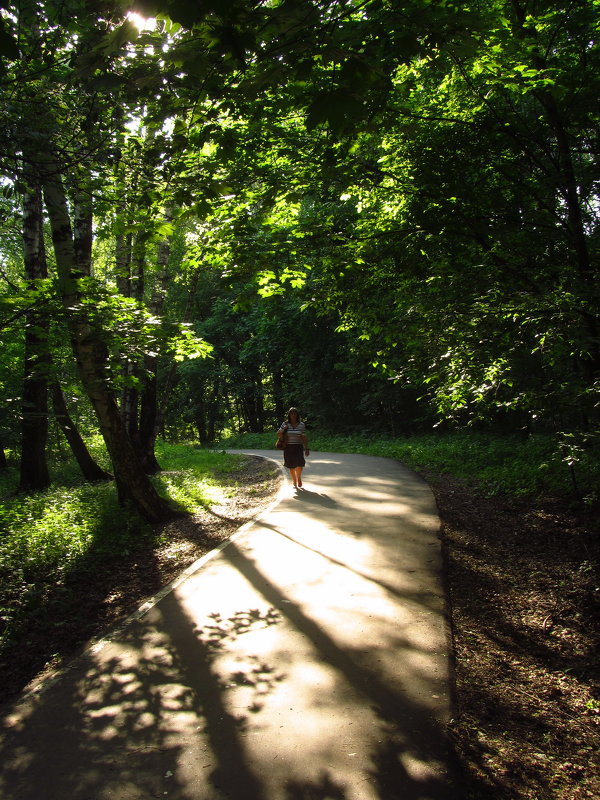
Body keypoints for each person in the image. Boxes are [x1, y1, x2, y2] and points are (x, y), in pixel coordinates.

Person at [277, 407, 309, 488]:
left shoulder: (302, 425)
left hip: (298, 446)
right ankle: (294, 480)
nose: (293, 415)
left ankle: (298, 477)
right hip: (288, 447)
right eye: (292, 413)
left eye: (295, 413)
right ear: (289, 415)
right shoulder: (285, 424)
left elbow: (304, 437)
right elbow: (278, 434)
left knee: (300, 464)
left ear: (297, 415)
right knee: (291, 466)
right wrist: (284, 429)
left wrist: (306, 448)